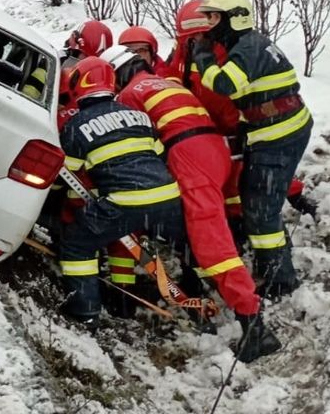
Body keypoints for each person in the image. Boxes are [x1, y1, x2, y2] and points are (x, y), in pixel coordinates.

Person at [103, 44, 281, 362]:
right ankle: (210, 285)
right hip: (213, 149)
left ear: (119, 74)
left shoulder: (129, 95)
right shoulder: (164, 83)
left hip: (189, 155)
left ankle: (255, 326)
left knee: (212, 243)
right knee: (205, 233)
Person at [192, 0, 312, 298]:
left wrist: (203, 58)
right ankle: (271, 263)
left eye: (213, 17)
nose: (208, 24)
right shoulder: (248, 43)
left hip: (279, 135)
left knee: (261, 209)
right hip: (275, 129)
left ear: (234, 19)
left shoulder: (248, 48)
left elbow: (224, 84)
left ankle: (280, 280)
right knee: (256, 199)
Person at [57, 56, 186, 330]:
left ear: (78, 84)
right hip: (168, 198)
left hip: (125, 201)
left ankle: (85, 312)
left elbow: (68, 173)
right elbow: (159, 156)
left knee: (77, 245)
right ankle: (139, 300)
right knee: (166, 244)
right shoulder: (139, 116)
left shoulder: (76, 125)